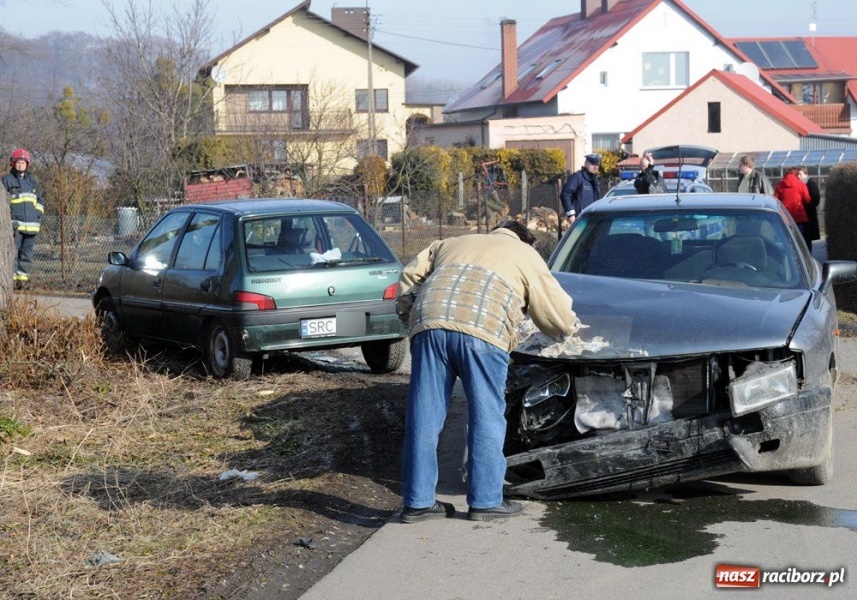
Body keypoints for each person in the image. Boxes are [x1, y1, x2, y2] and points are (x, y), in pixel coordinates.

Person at [396, 221, 580, 523]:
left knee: (424, 415)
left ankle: (417, 503)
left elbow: (408, 277)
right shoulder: (524, 254)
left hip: (429, 323)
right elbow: (555, 312)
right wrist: (568, 330)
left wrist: (409, 314)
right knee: (486, 415)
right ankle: (485, 501)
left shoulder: (450, 243)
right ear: (526, 240)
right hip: (482, 330)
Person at [2, 148, 44, 289]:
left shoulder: (33, 182)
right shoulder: (6, 181)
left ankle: (22, 282)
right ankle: (11, 281)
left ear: (27, 164)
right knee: (13, 254)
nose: (20, 165)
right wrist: (8, 222)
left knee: (26, 255)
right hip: (15, 227)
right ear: (13, 164)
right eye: (17, 162)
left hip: (32, 227)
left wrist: (38, 216)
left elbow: (40, 201)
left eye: (23, 163)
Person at [774, 167, 812, 246]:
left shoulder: (780, 184)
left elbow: (775, 199)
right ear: (796, 175)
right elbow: (807, 200)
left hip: (785, 215)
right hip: (799, 215)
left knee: (787, 239)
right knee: (800, 239)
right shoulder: (801, 184)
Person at [560, 153, 601, 222]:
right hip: (579, 219)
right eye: (592, 164)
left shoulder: (595, 180)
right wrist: (571, 214)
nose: (595, 167)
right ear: (586, 163)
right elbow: (566, 194)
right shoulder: (577, 177)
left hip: (592, 218)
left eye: (597, 164)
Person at [798, 166, 821, 250]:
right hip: (802, 216)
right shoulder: (799, 185)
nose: (798, 176)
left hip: (809, 216)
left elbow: (816, 199)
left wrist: (807, 205)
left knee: (807, 240)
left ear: (806, 174)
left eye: (800, 174)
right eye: (797, 174)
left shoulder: (811, 184)